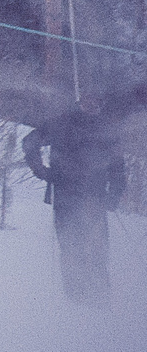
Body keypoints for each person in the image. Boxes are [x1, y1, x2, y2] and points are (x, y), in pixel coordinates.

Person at [22, 96, 126, 305]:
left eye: (95, 102)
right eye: (87, 101)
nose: (91, 106)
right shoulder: (62, 123)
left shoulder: (106, 130)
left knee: (97, 250)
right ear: (79, 102)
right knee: (71, 247)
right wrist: (41, 170)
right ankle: (75, 300)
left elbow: (117, 167)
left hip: (95, 199)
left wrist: (114, 195)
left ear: (100, 105)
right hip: (65, 197)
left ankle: (100, 300)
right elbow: (29, 142)